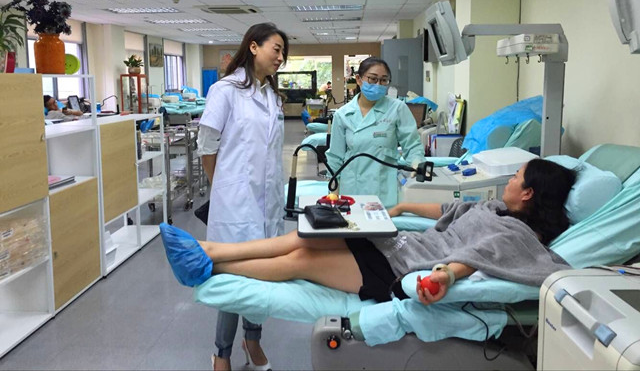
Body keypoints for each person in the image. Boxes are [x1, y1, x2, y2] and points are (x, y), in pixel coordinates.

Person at [160, 159, 577, 308]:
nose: (509, 180)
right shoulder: (494, 207)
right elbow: (449, 210)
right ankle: (212, 248)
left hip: (400, 269)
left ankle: (209, 268)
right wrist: (401, 207)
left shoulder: (517, 234)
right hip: (399, 242)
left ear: (528, 193)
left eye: (516, 176)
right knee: (308, 234)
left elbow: (477, 258)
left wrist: (446, 275)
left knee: (302, 261)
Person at [196, 22, 288, 371]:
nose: (280, 57)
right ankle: (222, 353)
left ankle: (253, 340)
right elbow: (207, 146)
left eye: (283, 52)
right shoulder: (225, 90)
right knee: (233, 280)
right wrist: (223, 188)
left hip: (268, 202)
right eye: (276, 49)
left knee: (260, 276)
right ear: (253, 46)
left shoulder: (272, 96)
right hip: (235, 203)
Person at [325, 57, 424, 208]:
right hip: (351, 189)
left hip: (383, 188)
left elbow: (412, 145)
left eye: (384, 80)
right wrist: (333, 190)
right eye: (372, 79)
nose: (378, 85)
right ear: (358, 79)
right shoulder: (343, 114)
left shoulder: (397, 108)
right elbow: (335, 157)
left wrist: (417, 162)